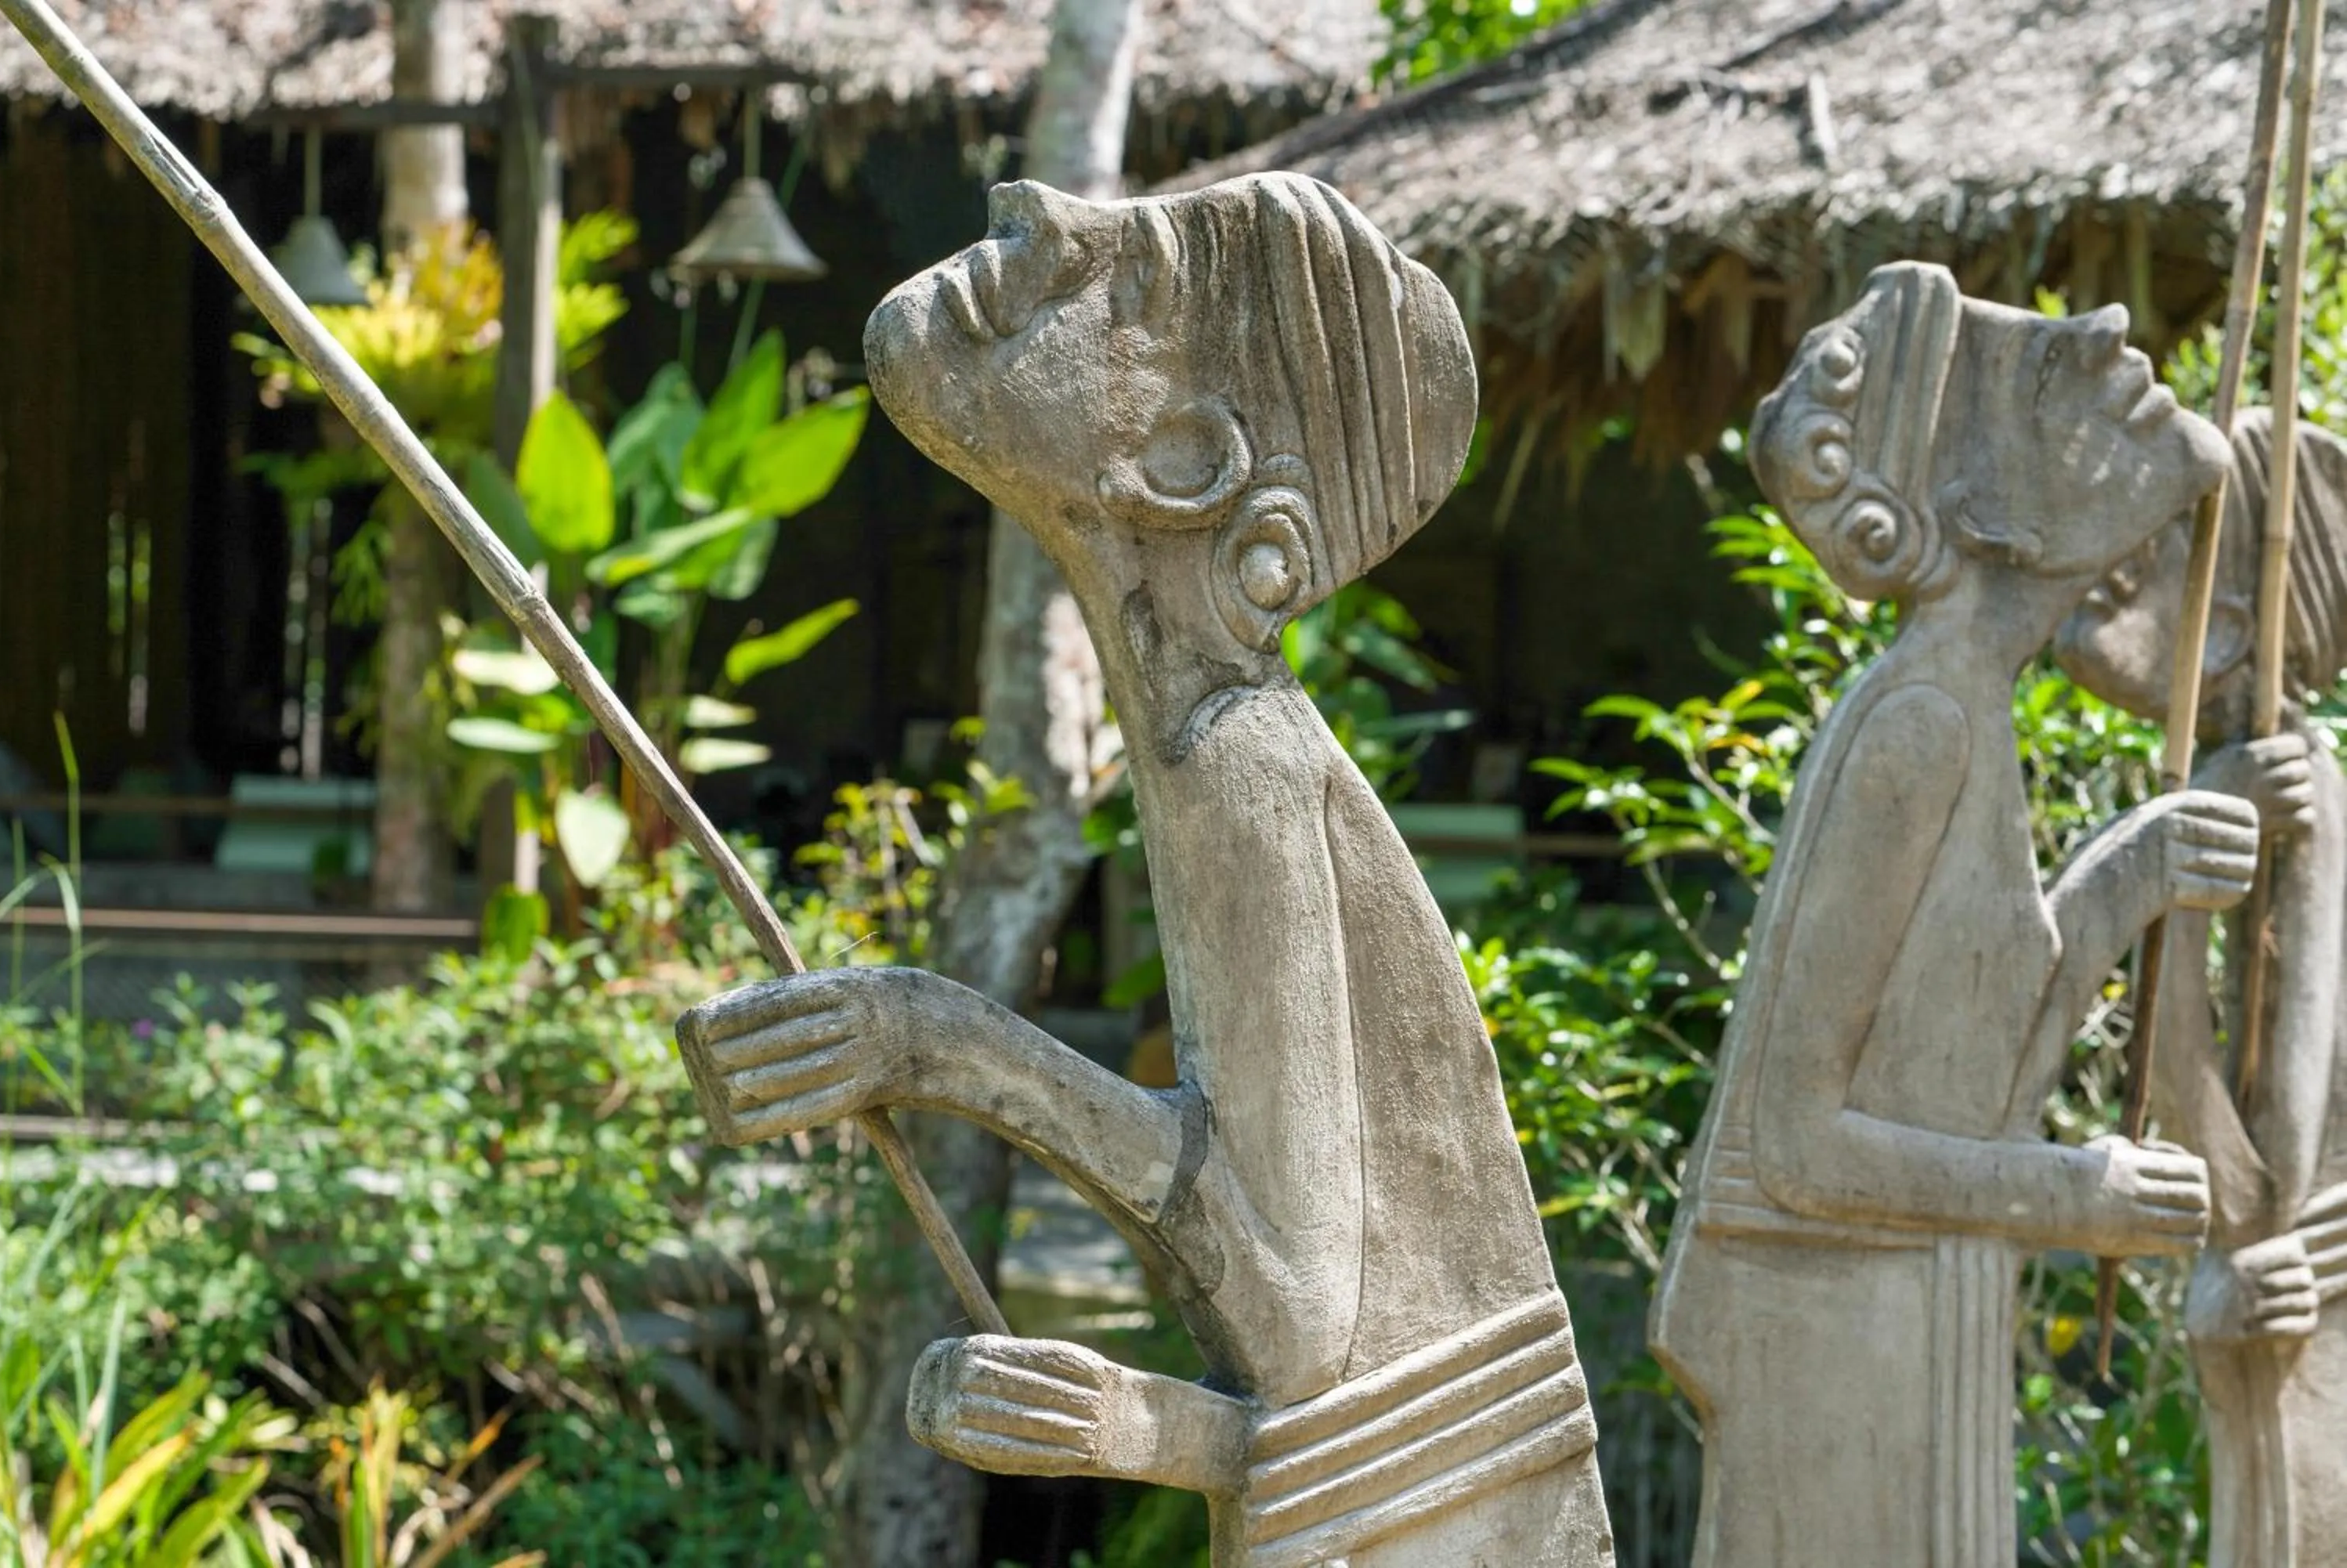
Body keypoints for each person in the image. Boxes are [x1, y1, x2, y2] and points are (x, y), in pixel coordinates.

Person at [678, 172, 1614, 1566]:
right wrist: (1143, 1427)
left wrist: (935, 1039)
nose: (1034, 208)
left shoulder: (1240, 760)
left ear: (1184, 461)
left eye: (1140, 285)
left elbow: (1299, 1309)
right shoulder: (1209, 742)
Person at [1649, 262, 2258, 1567]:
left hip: (1900, 1318)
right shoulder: (1919, 726)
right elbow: (1796, 1143)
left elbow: (1951, 1056)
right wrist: (2066, 1194)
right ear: (1991, 513)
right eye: (2044, 372)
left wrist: (2124, 880)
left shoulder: (1960, 711)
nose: (2103, 324)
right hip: (1837, 1338)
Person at [2055, 407, 2347, 1567]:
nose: (2110, 561)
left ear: (2234, 625)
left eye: (2159, 543)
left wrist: (2272, 1253)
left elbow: (2260, 1177)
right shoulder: (2241, 798)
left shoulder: (2310, 801)